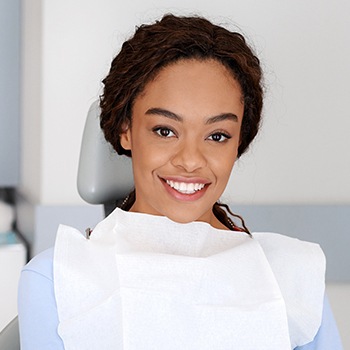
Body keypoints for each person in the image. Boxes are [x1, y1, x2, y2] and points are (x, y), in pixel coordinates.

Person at [18, 14, 343, 349]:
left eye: (217, 136)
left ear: (238, 143)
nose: (190, 160)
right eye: (165, 131)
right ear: (125, 130)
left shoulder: (293, 277)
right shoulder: (57, 279)